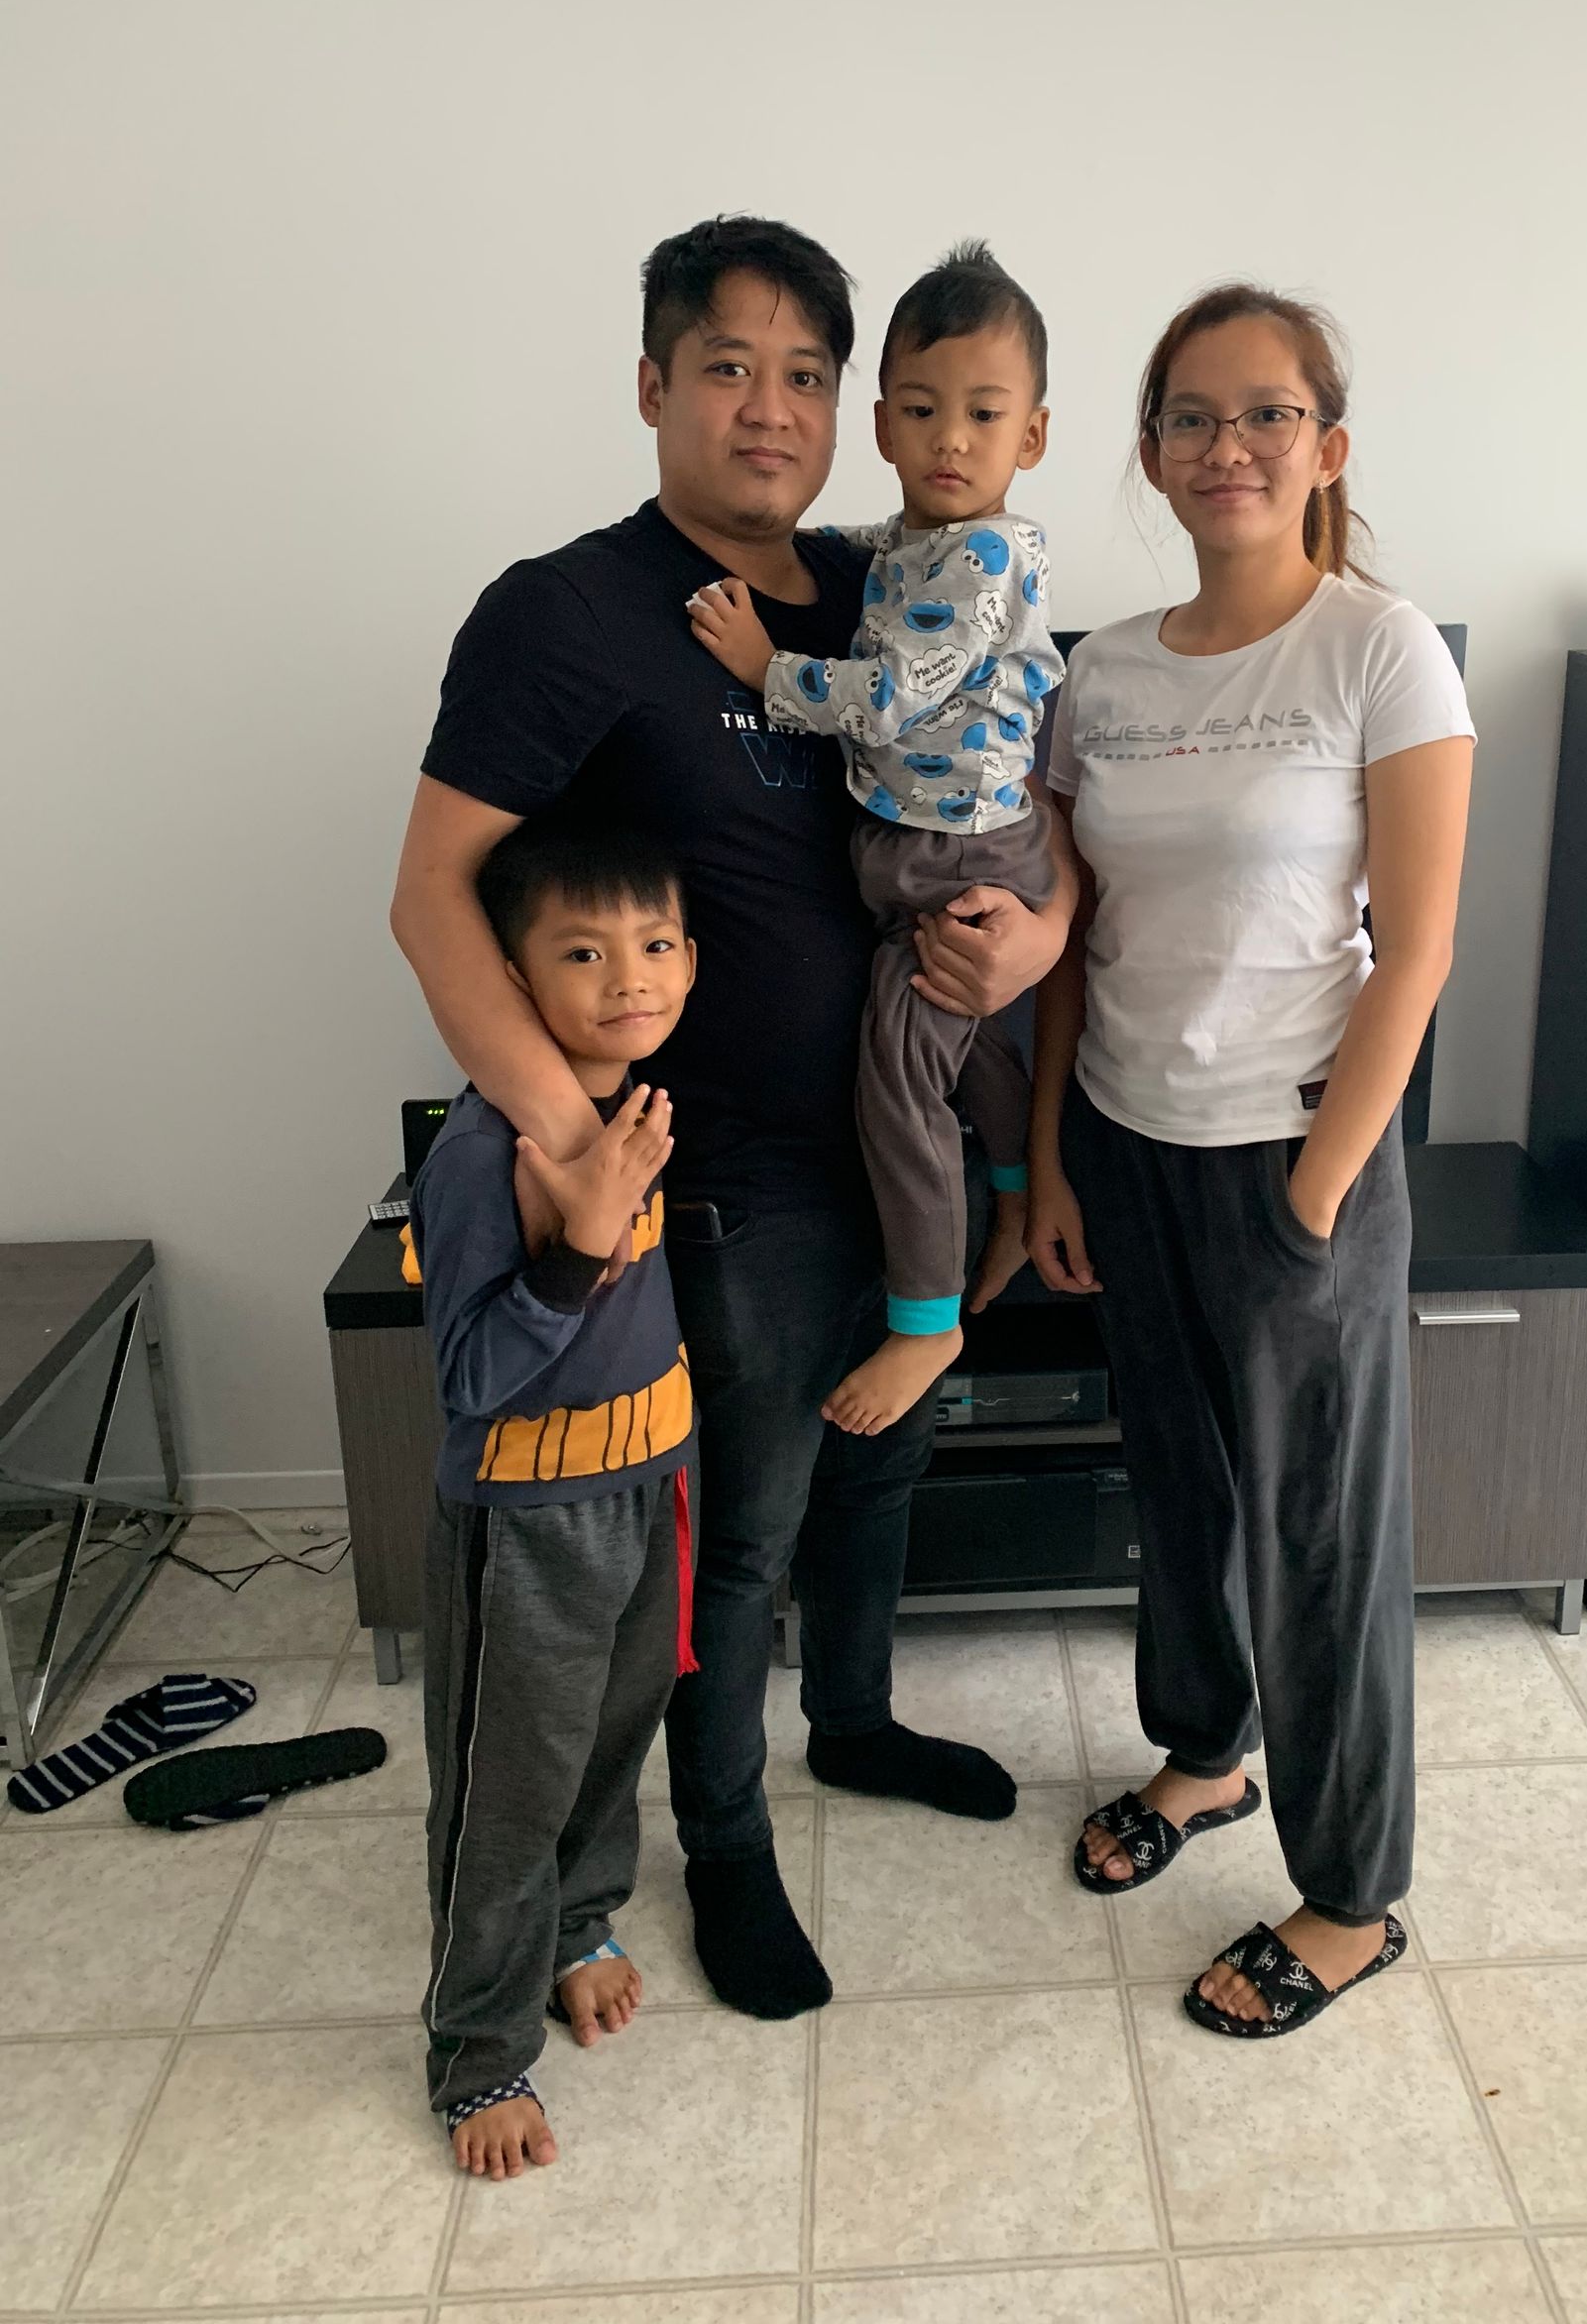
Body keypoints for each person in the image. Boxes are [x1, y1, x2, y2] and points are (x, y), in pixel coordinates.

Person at [391, 216, 1076, 2027]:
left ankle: (852, 1721)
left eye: (804, 375)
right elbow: (431, 896)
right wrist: (571, 1146)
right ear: (652, 386)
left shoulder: (890, 587)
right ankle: (727, 1848)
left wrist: (1048, 937)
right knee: (742, 1532)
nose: (770, 409)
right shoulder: (564, 611)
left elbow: (1032, 788)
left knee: (886, 1462)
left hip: (897, 1125)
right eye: (727, 367)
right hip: (722, 1184)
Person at [1028, 282, 1474, 2039]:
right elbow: (1077, 935)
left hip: (1302, 1158)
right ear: (1148, 454)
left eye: (1266, 415)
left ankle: (1355, 1894)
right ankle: (1206, 1756)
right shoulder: (1108, 673)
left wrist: (1313, 1200)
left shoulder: (1383, 648)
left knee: (1323, 1534)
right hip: (1130, 1146)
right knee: (1182, 1493)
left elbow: (1418, 951)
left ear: (1325, 447)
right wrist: (1055, 1159)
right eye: (1195, 419)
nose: (1229, 447)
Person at [686, 241, 1065, 1437]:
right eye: (921, 409)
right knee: (969, 1054)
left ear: (1032, 439)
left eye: (984, 414)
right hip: (922, 852)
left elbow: (893, 695)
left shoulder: (987, 557)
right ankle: (1008, 1193)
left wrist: (765, 667)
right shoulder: (904, 546)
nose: (952, 438)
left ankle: (927, 1316)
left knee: (900, 1080)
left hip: (956, 857)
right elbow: (869, 573)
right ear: (885, 427)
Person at [411, 814, 695, 2179]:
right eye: (583, 953)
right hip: (530, 1521)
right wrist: (580, 1243)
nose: (628, 976)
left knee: (610, 1742)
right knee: (503, 1790)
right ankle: (476, 2056)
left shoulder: (636, 1106)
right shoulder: (488, 1149)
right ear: (515, 986)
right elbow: (472, 1373)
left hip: (652, 1486)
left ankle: (579, 1929)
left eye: (653, 943)